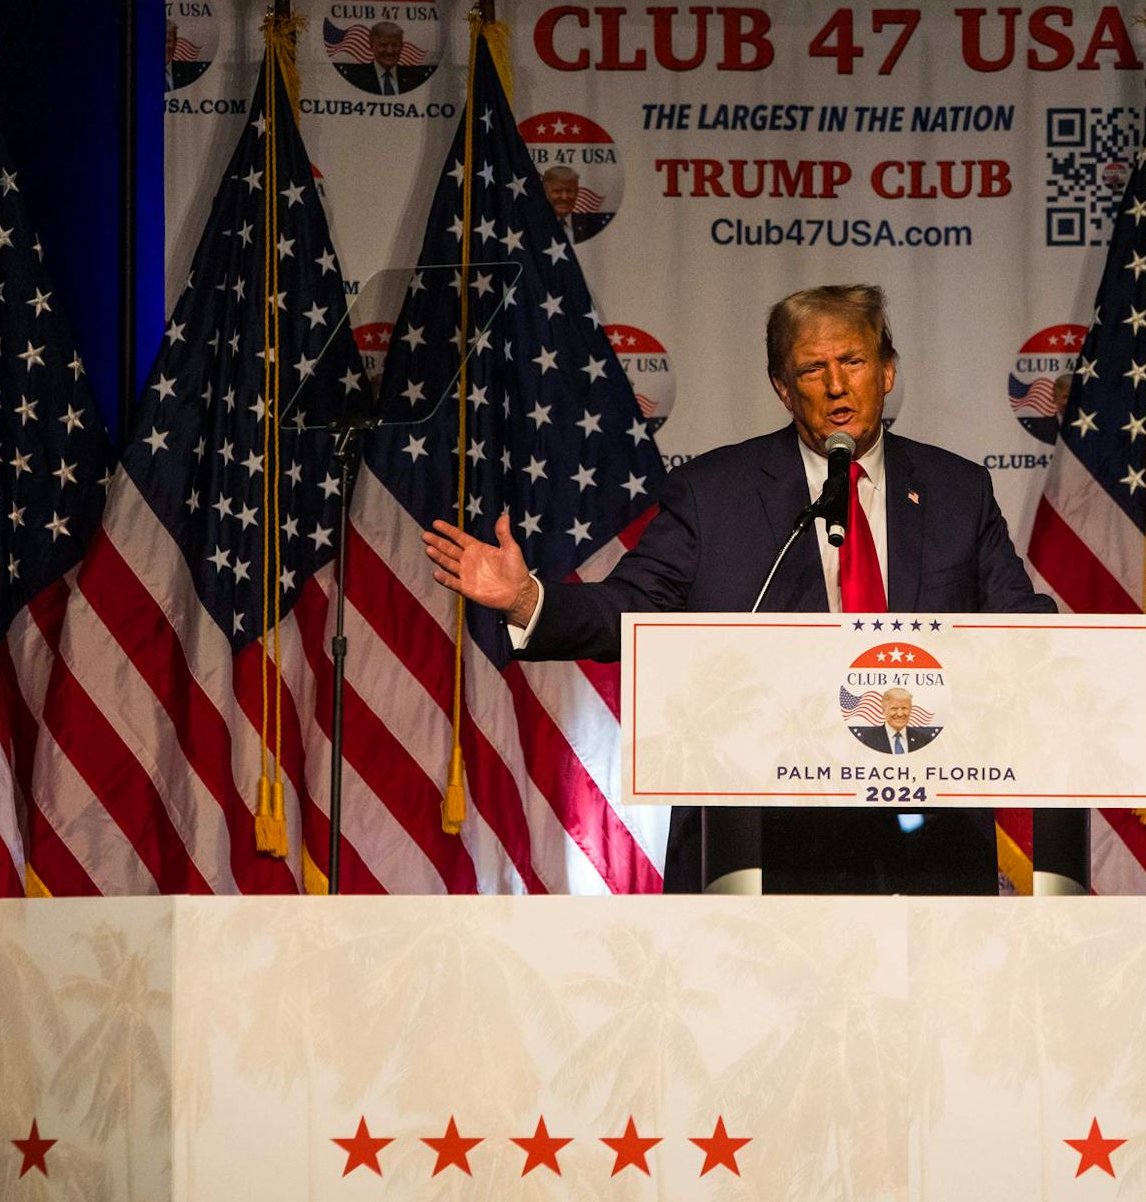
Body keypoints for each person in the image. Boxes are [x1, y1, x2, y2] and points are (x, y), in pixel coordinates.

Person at [423, 283, 1052, 892]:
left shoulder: (957, 490)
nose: (837, 385)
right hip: (758, 831)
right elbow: (631, 607)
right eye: (812, 369)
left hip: (924, 827)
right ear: (783, 389)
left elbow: (1019, 625)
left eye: (853, 361)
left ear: (887, 371)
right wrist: (528, 599)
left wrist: (1074, 650)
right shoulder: (714, 492)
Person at [335, 21, 437, 95]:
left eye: (394, 45)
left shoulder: (415, 78)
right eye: (383, 45)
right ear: (371, 46)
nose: (389, 51)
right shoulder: (355, 78)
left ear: (401, 47)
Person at [850, 688, 941, 756]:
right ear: (883, 710)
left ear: (910, 710)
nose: (900, 714)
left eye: (904, 708)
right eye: (894, 708)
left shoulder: (923, 740)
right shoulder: (867, 740)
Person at [542, 164, 613, 244]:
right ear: (545, 193)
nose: (564, 197)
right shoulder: (532, 226)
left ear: (577, 192)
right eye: (557, 191)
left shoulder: (594, 226)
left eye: (569, 191)